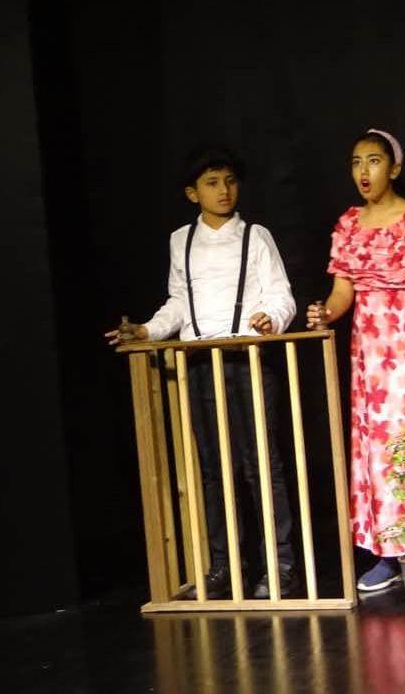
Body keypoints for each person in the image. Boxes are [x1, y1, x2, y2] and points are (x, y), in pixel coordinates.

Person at [105, 145, 298, 599]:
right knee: (212, 469)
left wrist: (271, 318)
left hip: (247, 360)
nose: (224, 190)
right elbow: (179, 302)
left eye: (229, 181)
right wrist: (147, 330)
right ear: (193, 193)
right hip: (199, 362)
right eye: (212, 183)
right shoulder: (182, 240)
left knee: (261, 465)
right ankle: (223, 565)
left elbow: (281, 295)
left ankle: (281, 563)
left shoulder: (255, 236)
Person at [307, 129, 405, 593]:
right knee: (379, 451)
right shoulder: (348, 225)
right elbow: (343, 291)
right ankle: (389, 553)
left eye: (374, 161)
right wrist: (326, 312)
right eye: (356, 162)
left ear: (393, 168)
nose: (364, 171)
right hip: (373, 358)